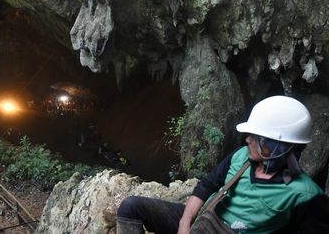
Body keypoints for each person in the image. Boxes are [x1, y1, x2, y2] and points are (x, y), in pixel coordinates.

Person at [116, 96, 328, 233]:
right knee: (131, 207)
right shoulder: (241, 157)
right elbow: (207, 185)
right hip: (205, 220)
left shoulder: (306, 195)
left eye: (256, 138)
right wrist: (184, 223)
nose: (247, 141)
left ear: (277, 147)